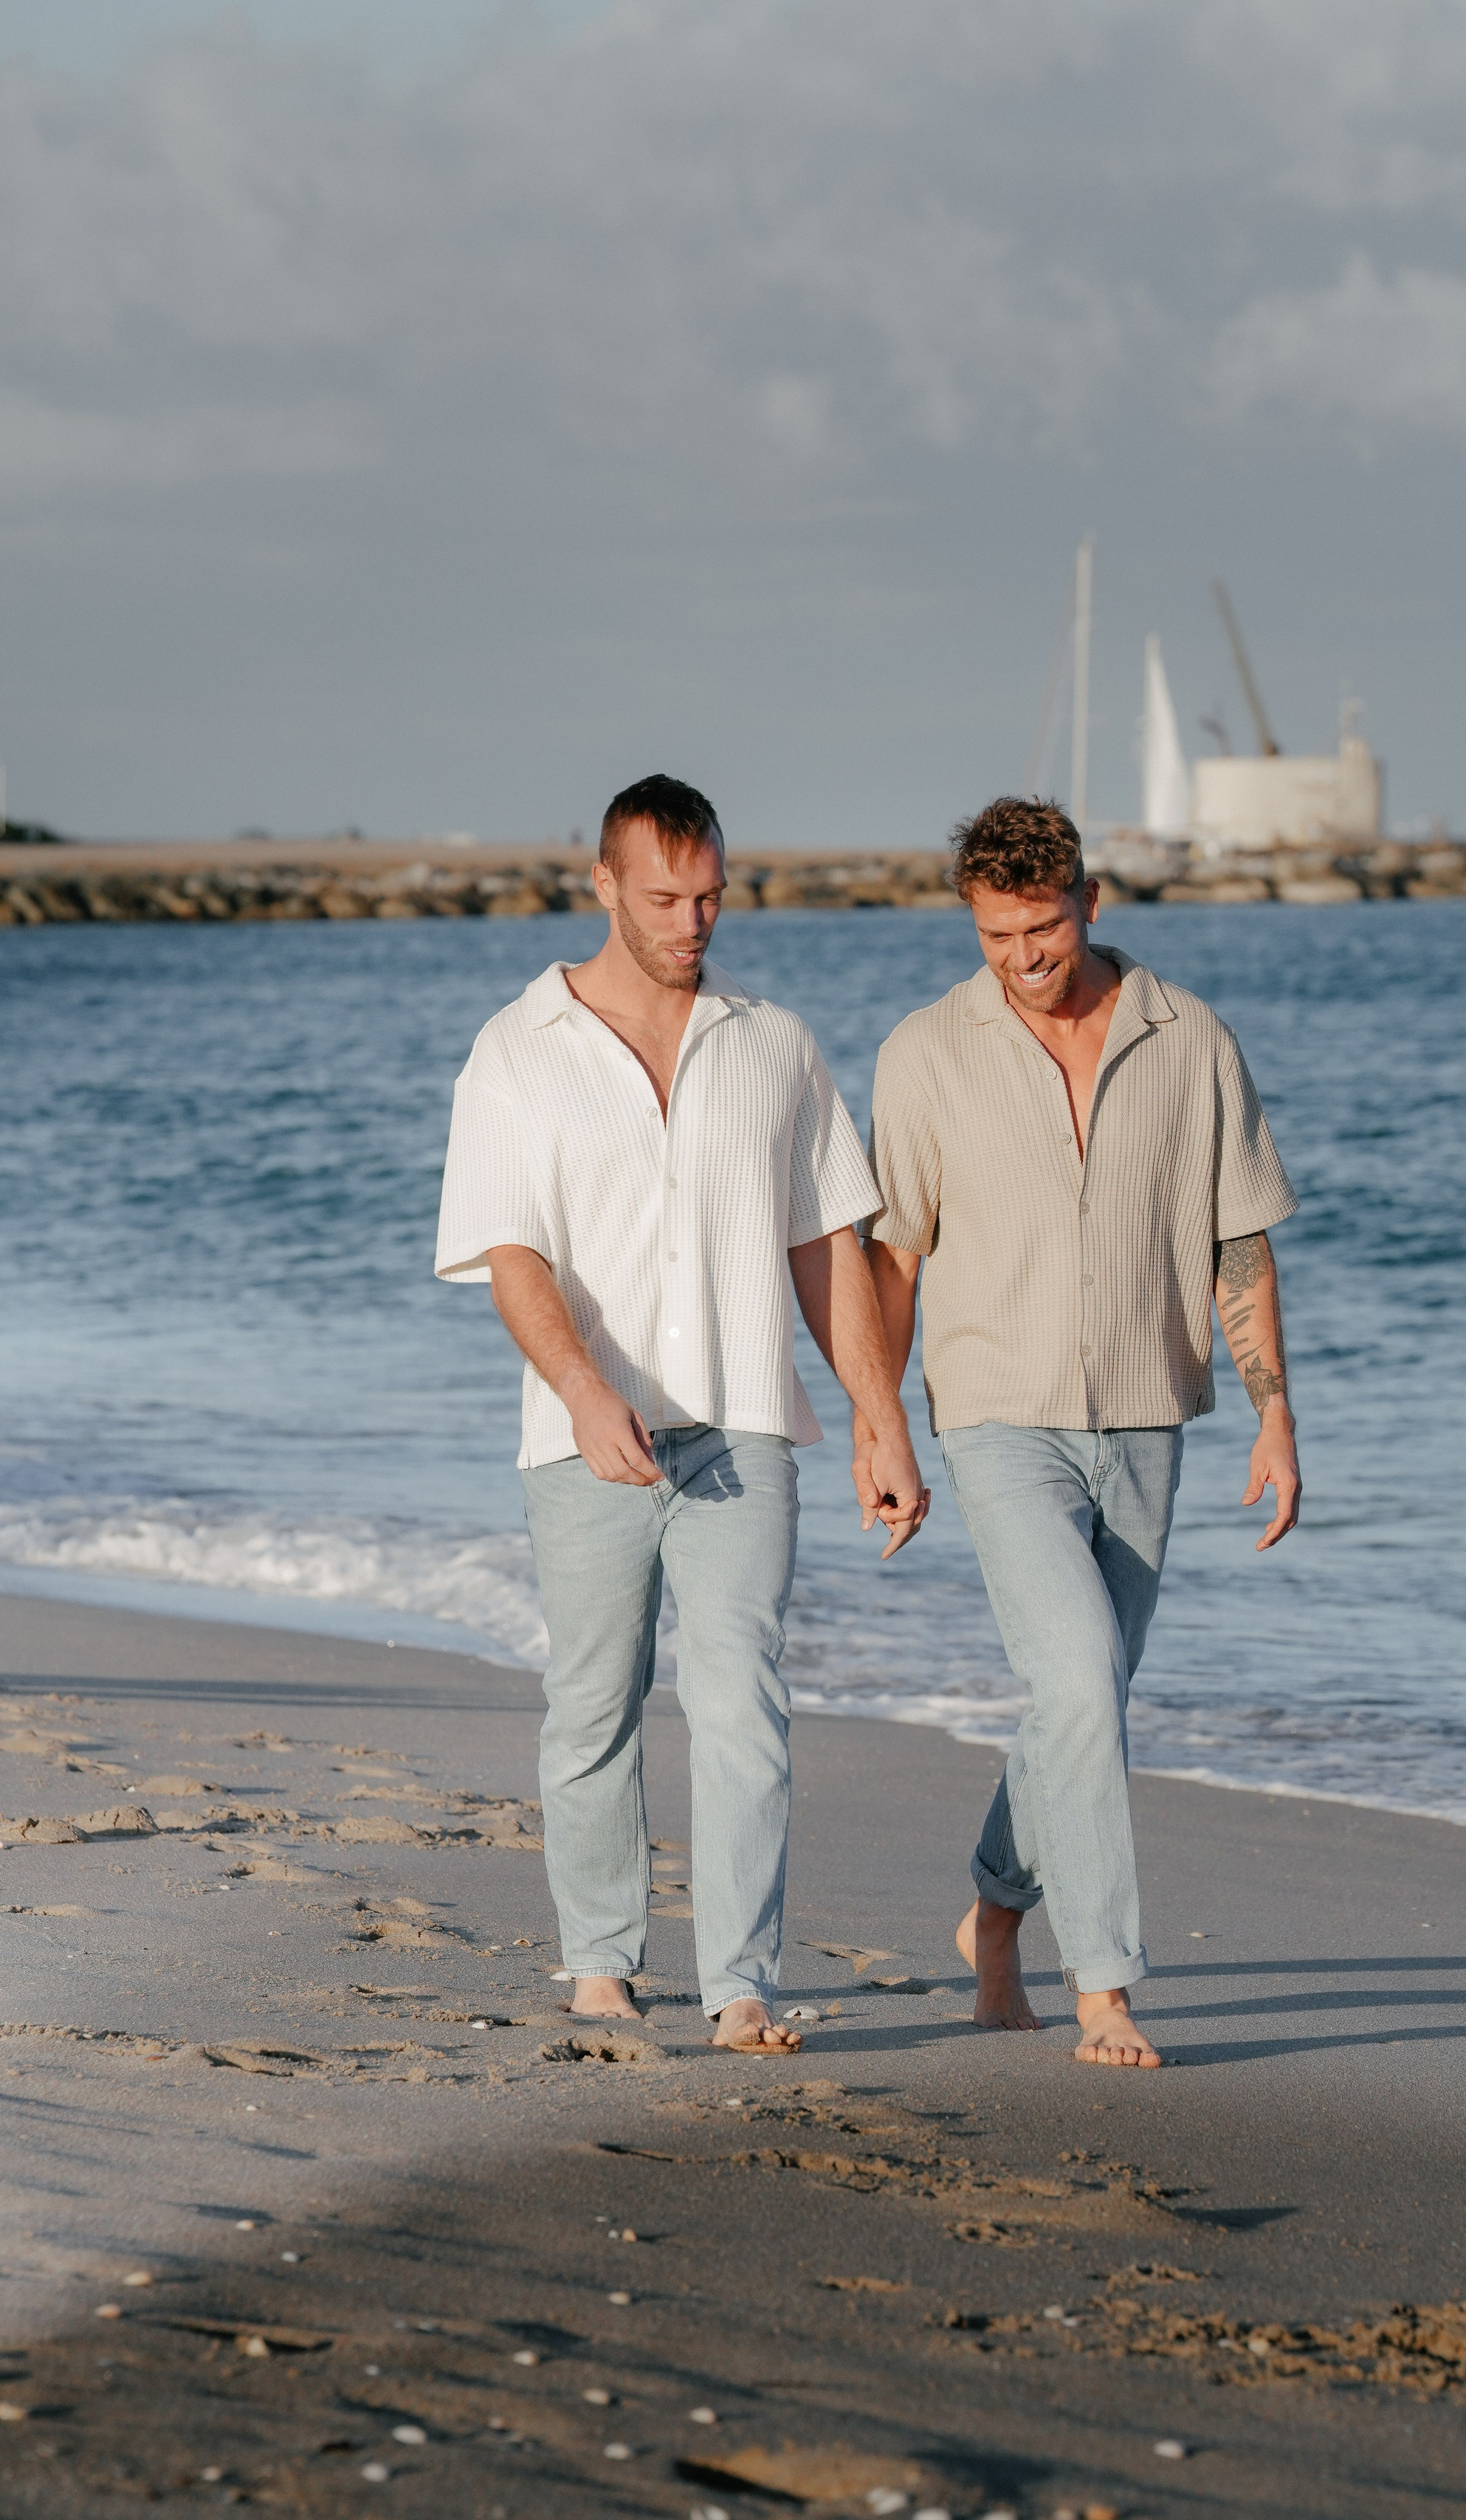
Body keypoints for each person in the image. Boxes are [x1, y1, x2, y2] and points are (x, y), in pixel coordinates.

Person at [436, 774, 926, 2053]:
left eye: (710, 894)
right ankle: (600, 1962)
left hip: (744, 1424)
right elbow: (511, 1255)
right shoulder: (516, 1051)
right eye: (665, 896)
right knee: (594, 1699)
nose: (693, 919)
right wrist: (587, 1392)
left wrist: (880, 1416)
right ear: (602, 884)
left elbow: (829, 1246)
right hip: (586, 1437)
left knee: (741, 1699)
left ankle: (741, 1980)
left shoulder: (776, 1045)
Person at [856, 796, 1299, 2067]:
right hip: (999, 1415)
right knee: (1076, 1675)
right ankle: (1103, 1982)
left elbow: (1238, 1237)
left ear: (1090, 904)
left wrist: (1276, 1415)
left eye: (1043, 927)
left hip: (1154, 1411)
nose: (1024, 958)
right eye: (997, 935)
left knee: (1084, 1694)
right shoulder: (926, 1054)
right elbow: (894, 1257)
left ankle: (993, 1913)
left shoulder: (1190, 1036)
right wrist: (876, 1424)